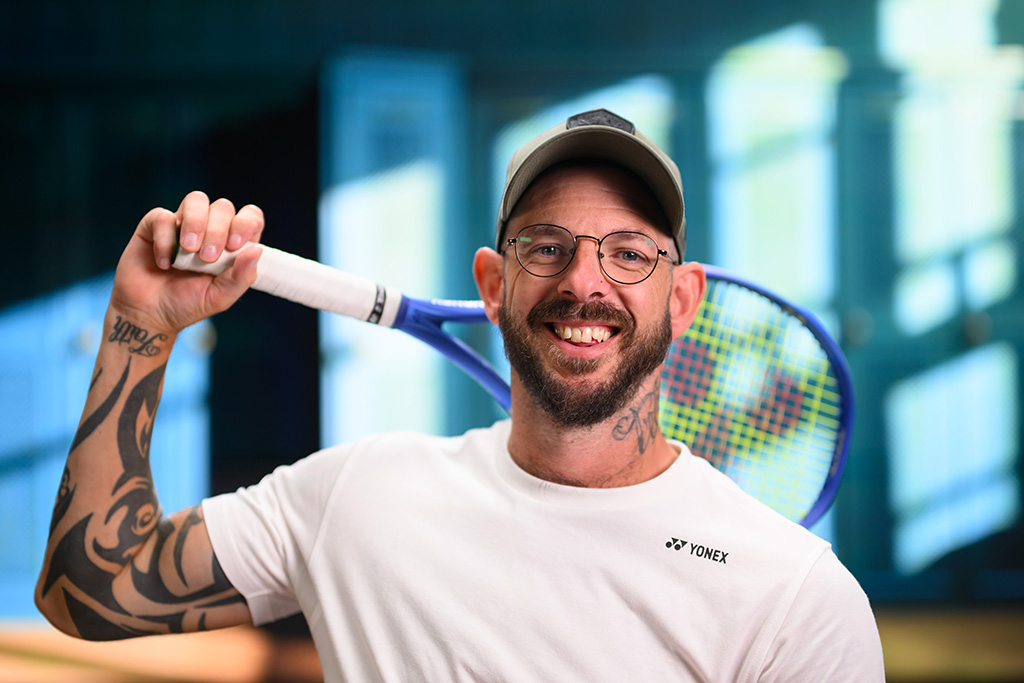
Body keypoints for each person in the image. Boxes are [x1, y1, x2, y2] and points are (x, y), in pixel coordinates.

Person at [36, 108, 885, 681]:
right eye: (546, 246)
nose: (584, 281)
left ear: (684, 297)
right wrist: (140, 323)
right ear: (493, 283)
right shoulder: (355, 497)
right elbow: (91, 589)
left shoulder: (794, 595)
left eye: (630, 253)